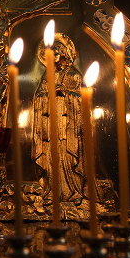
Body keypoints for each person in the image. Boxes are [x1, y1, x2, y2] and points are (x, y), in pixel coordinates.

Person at [32, 33, 87, 203]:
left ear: (63, 53)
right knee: (50, 158)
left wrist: (63, 92)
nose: (52, 56)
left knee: (68, 157)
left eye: (56, 52)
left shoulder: (73, 75)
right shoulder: (47, 76)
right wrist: (48, 94)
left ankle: (74, 191)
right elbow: (39, 96)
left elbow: (79, 98)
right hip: (50, 126)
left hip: (68, 126)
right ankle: (51, 191)